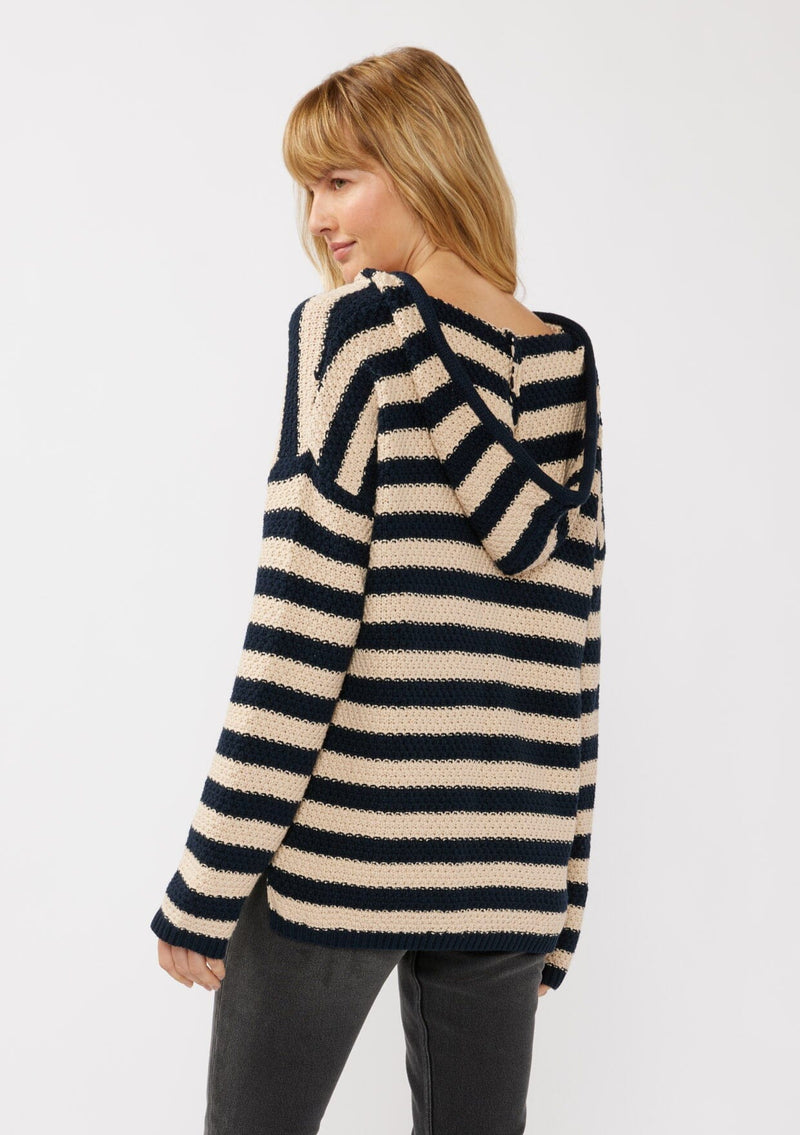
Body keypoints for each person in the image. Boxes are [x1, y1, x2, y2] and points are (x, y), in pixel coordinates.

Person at [150, 45, 606, 1135]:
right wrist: (562, 889)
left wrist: (210, 876)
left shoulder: (349, 332)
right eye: (307, 188)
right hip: (508, 864)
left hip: (341, 853)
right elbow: (574, 654)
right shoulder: (567, 362)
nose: (318, 218)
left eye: (340, 179)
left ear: (423, 161)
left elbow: (298, 632)